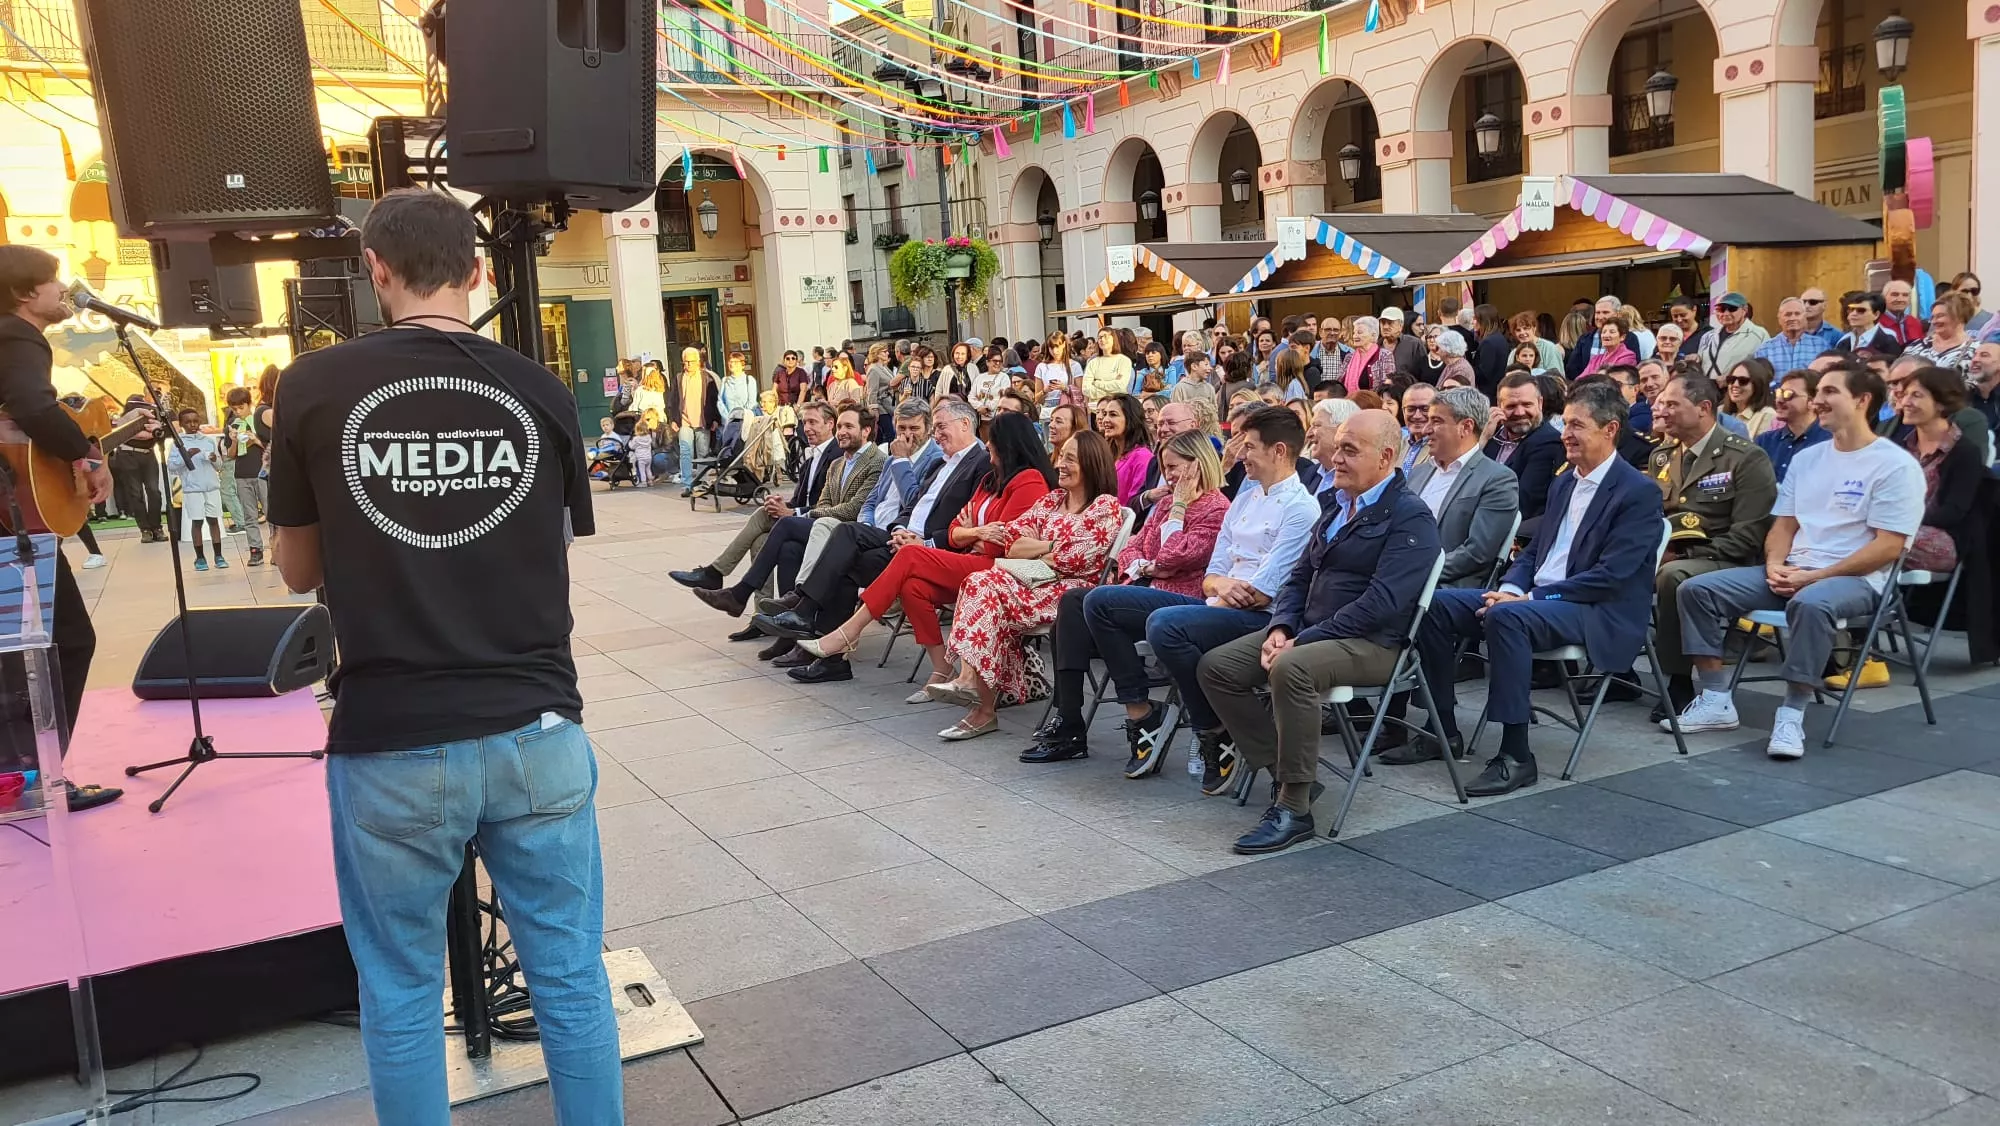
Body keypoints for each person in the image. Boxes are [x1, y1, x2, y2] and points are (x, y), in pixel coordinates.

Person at [266, 189, 618, 1123]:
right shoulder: (541, 387)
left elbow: (297, 569)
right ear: (478, 270)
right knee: (573, 981)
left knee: (402, 991)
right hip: (536, 727)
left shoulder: (310, 386)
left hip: (393, 737)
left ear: (375, 271)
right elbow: (547, 545)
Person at [1198, 410, 1441, 852]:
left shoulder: (1411, 518)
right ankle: (1290, 774)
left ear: (1386, 457)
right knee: (1217, 668)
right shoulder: (1334, 503)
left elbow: (1381, 605)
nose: (1335, 459)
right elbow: (1297, 578)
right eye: (1338, 447)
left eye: (1351, 450)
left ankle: (1293, 808)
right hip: (1311, 632)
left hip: (1376, 644)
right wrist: (1282, 625)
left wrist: (1300, 640)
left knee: (1291, 668)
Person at [1417, 380, 1665, 795]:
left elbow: (1612, 576)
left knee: (1507, 617)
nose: (1565, 433)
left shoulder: (1638, 492)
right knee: (1434, 605)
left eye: (1577, 425)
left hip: (1596, 608)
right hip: (1538, 601)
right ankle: (1440, 727)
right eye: (1565, 423)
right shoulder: (1565, 481)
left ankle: (1516, 755)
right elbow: (1535, 553)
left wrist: (1529, 598)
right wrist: (1514, 586)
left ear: (1609, 430)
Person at [1670, 362, 1923, 758]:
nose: (1817, 401)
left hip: (1857, 579)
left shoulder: (1895, 465)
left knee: (1810, 602)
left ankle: (1792, 714)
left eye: (1829, 392)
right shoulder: (1809, 459)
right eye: (1817, 392)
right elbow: (1783, 526)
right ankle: (1717, 699)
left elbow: (1888, 547)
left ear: (1862, 400)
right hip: (1795, 570)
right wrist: (1774, 565)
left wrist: (1816, 576)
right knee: (1694, 590)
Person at [796, 411, 1054, 689]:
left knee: (909, 554)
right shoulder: (990, 479)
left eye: (992, 440)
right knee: (912, 586)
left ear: (1009, 443)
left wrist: (971, 535)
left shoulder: (1029, 480)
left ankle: (848, 631)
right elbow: (956, 530)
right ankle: (941, 669)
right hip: (970, 560)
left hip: (998, 570)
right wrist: (975, 533)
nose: (987, 444)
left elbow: (1002, 543)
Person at [1027, 431, 1230, 771]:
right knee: (1072, 608)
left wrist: (1177, 511)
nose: (1169, 476)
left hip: (1182, 602)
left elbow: (1173, 554)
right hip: (1142, 592)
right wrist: (1146, 563)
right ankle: (1070, 719)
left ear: (1199, 465)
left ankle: (1138, 713)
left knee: (1086, 600)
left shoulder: (1216, 508)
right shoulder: (1163, 504)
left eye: (1176, 467)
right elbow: (1131, 548)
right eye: (1165, 468)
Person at [0, 244, 119, 811]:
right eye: (52, 281)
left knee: (16, 651)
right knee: (63, 642)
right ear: (27, 294)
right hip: (10, 524)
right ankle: (31, 779)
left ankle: (15, 777)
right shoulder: (18, 335)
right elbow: (33, 407)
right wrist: (86, 456)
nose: (62, 288)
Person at [755, 400, 988, 682]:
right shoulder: (944, 462)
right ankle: (830, 659)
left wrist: (922, 541)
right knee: (842, 554)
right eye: (902, 428)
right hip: (898, 537)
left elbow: (965, 520)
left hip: (930, 550)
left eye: (940, 427)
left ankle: (806, 614)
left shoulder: (978, 462)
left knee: (843, 534)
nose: (936, 435)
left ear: (965, 425)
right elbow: (910, 505)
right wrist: (900, 528)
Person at [923, 432, 1125, 739]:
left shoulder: (1104, 506)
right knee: (980, 583)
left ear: (1091, 464)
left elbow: (1078, 559)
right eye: (1061, 455)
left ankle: (979, 702)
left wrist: (1040, 546)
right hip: (1032, 580)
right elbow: (1010, 541)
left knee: (986, 590)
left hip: (1072, 592)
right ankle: (973, 690)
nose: (1061, 464)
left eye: (1071, 458)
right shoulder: (1052, 500)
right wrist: (1051, 547)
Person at [1372, 387, 1520, 766]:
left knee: (1412, 607)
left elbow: (1479, 552)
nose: (1425, 427)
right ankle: (1375, 712)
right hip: (1406, 579)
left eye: (1437, 421)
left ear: (1466, 426)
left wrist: (1419, 574)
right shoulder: (1417, 474)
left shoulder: (1496, 478)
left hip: (1456, 585)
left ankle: (1441, 729)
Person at [1645, 370, 1779, 719]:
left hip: (1726, 560)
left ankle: (1677, 681)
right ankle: (1613, 670)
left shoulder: (1745, 458)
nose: (1663, 410)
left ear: (1704, 408)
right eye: (1662, 403)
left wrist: (1684, 553)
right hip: (1670, 553)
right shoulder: (1662, 456)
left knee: (1674, 576)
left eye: (1673, 404)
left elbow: (1749, 535)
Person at [679, 402, 881, 620]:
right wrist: (785, 506)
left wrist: (794, 514)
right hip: (822, 522)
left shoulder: (875, 461)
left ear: (866, 430)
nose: (841, 432)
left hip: (847, 533)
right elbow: (822, 504)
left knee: (784, 524)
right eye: (840, 426)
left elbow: (854, 509)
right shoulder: (838, 463)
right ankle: (776, 621)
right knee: (781, 545)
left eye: (848, 426)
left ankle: (734, 589)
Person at [669, 401, 839, 594]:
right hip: (802, 520)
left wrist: (792, 511)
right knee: (760, 539)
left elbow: (832, 505)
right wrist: (781, 504)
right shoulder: (811, 458)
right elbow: (800, 500)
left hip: (823, 524)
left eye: (813, 422)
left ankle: (716, 573)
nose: (807, 428)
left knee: (761, 515)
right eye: (804, 423)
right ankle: (763, 613)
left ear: (830, 424)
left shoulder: (837, 456)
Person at [1893, 364, 1984, 575]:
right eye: (1905, 394)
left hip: (1941, 539)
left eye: (1916, 395)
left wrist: (1894, 521)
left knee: (1874, 539)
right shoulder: (1900, 447)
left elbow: (1952, 512)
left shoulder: (1964, 452)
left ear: (1942, 403)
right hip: (1894, 530)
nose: (1906, 402)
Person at [1484, 371, 1565, 524]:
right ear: (1499, 406)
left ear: (1540, 403)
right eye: (1511, 406)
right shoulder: (1489, 436)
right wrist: (1481, 440)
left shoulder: (1549, 442)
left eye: (1527, 404)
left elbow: (1523, 501)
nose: (1520, 412)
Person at [168, 408, 227, 570]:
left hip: (211, 486)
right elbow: (172, 467)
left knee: (213, 520)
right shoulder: (178, 443)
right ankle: (200, 557)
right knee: (197, 521)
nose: (192, 425)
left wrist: (215, 459)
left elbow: (219, 465)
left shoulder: (208, 441)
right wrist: (186, 456)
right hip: (193, 489)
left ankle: (218, 555)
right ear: (181, 424)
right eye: (188, 422)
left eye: (195, 421)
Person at [1756, 367, 1831, 482]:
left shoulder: (1829, 442)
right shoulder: (1765, 441)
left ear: (1812, 402)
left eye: (1788, 394)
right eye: (1778, 393)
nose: (1779, 400)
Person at [665, 345, 720, 495]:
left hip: (703, 421)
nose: (688, 365)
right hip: (684, 421)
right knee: (685, 452)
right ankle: (687, 484)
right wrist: (673, 419)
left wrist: (715, 419)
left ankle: (701, 482)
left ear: (698, 361)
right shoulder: (679, 378)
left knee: (703, 453)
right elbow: (673, 400)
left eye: (691, 362)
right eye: (686, 362)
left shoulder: (707, 378)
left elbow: (714, 400)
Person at [224, 386, 269, 565]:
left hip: (262, 472)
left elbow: (271, 447)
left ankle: (277, 548)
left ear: (248, 404)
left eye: (240, 408)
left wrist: (255, 439)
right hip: (242, 474)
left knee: (270, 512)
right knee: (249, 515)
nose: (237, 412)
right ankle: (255, 550)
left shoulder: (259, 421)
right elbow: (230, 454)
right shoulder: (233, 424)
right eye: (234, 409)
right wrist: (234, 440)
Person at [1093, 392, 1154, 506]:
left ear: (1130, 418)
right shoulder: (1107, 452)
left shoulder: (1142, 457)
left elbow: (1134, 503)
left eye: (1113, 414)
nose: (1105, 419)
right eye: (1105, 414)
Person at [1694, 292, 1769, 382]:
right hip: (1708, 392)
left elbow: (1764, 368)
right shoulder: (1708, 336)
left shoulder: (1759, 334)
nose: (1725, 313)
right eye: (1721, 309)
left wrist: (1732, 379)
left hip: (1739, 390)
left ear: (1744, 310)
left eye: (1732, 309)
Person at [1905, 292, 1978, 379]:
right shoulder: (1916, 346)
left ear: (1959, 317)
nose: (1934, 321)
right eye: (1933, 317)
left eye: (1940, 316)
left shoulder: (1977, 351)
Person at [1753, 297, 1829, 376]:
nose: (1792, 318)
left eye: (1797, 314)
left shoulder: (1821, 346)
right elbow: (1760, 379)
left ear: (1805, 317)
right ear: (1779, 319)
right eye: (1788, 314)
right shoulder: (1765, 349)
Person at [1722, 357, 1778, 436]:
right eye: (1731, 379)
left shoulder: (1767, 415)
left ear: (1757, 385)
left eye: (1743, 381)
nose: (1735, 384)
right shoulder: (1719, 411)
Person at [1836, 292, 1901, 356]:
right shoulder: (1843, 342)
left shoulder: (1888, 342)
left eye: (1861, 310)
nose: (1853, 314)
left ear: (1876, 314)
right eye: (1851, 310)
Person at [1343, 315, 1397, 392]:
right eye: (1354, 333)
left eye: (1359, 332)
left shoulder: (1385, 355)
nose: (1355, 336)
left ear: (1373, 335)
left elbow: (1388, 384)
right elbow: (1340, 381)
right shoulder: (1349, 356)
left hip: (1374, 402)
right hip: (1349, 402)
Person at [1036, 331, 1080, 412]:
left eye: (1057, 346)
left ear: (1063, 344)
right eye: (1051, 348)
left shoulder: (1074, 365)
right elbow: (1037, 398)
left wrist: (1065, 388)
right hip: (1047, 408)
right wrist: (1045, 391)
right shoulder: (1041, 367)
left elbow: (1080, 393)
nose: (1055, 351)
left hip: (1068, 405)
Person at [1511, 310, 1564, 375]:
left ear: (1534, 328)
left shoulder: (1549, 348)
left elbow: (1557, 377)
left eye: (1526, 328)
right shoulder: (1513, 353)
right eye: (1518, 330)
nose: (1522, 332)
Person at [1401, 382, 1438, 471]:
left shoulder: (1445, 448)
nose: (1417, 416)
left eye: (1425, 409)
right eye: (1410, 409)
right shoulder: (1397, 444)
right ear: (1403, 411)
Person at [1879, 279, 1925, 346]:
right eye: (1895, 294)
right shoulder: (1876, 323)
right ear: (1883, 298)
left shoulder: (1914, 322)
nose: (1900, 299)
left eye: (1905, 295)